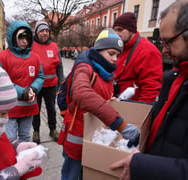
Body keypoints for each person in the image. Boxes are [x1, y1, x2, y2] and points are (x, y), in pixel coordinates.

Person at [111, 1, 188, 180]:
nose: (164, 50)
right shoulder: (177, 76)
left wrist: (142, 164)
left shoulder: (151, 54)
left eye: (168, 42)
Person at [57, 28, 140, 180]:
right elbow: (83, 94)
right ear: (98, 50)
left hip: (92, 137)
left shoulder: (106, 74)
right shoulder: (84, 68)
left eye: (118, 55)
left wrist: (110, 100)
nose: (115, 59)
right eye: (111, 53)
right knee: (70, 174)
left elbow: (100, 96)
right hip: (76, 137)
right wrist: (120, 124)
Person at [0, 20, 44, 143]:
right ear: (13, 37)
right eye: (21, 38)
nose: (24, 41)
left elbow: (40, 76)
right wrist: (23, 92)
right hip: (9, 108)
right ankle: (12, 162)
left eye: (27, 38)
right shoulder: (1, 57)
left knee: (25, 138)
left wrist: (33, 89)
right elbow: (0, 80)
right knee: (10, 140)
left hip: (28, 106)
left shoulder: (35, 58)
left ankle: (24, 161)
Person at [113, 12, 163, 103]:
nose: (116, 34)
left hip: (131, 107)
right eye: (115, 30)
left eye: (120, 30)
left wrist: (139, 112)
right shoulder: (121, 47)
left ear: (131, 30)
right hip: (116, 102)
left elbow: (151, 87)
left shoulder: (148, 50)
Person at [31, 20, 64, 143]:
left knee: (51, 109)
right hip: (36, 86)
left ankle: (53, 129)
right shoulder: (31, 45)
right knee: (36, 110)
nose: (44, 33)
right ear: (36, 32)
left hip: (51, 86)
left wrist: (61, 81)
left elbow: (59, 66)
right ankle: (36, 131)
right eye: (41, 31)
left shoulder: (54, 46)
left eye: (46, 31)